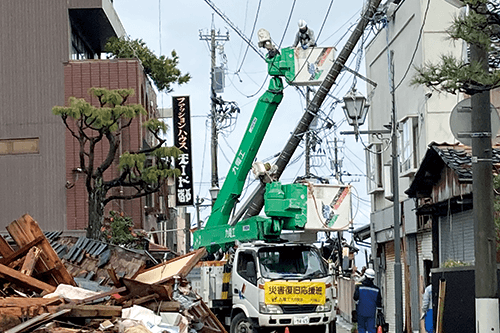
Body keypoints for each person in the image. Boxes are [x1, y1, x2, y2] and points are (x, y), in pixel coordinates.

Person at [353, 268, 382, 333]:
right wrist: (379, 312)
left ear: (365, 276)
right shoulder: (376, 289)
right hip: (371, 312)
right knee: (371, 329)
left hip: (361, 311)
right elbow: (379, 303)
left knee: (361, 328)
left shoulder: (359, 287)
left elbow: (355, 298)